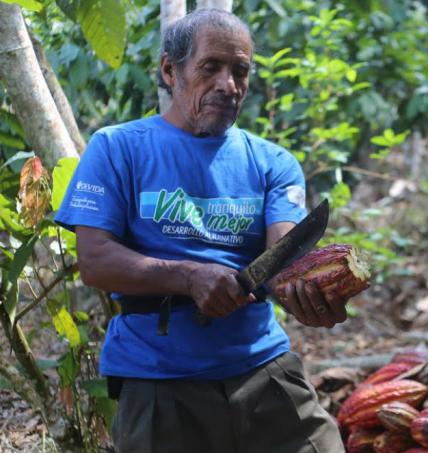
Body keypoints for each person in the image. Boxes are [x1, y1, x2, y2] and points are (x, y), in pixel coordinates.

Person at [54, 8, 348, 453]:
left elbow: (282, 263)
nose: (228, 85)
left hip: (263, 370)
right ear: (171, 71)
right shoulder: (117, 148)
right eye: (211, 67)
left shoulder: (274, 163)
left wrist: (310, 295)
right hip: (158, 379)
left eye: (240, 72)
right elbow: (94, 261)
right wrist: (189, 276)